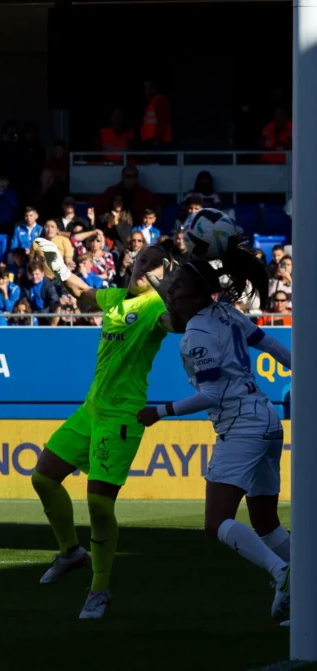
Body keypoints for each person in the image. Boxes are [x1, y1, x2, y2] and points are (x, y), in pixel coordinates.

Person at [136, 240, 291, 622]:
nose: (169, 294)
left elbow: (214, 392)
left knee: (215, 521)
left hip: (240, 426)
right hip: (267, 419)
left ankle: (283, 573)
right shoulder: (225, 312)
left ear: (194, 296)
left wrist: (160, 411)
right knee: (266, 522)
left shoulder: (196, 337)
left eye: (175, 290)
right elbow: (269, 344)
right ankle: (304, 581)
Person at [31, 236, 175, 619]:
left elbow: (175, 322)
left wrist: (166, 288)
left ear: (164, 275)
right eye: (139, 260)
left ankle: (99, 589)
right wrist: (59, 265)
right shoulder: (114, 298)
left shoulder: (155, 306)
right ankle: (70, 552)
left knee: (98, 503)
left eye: (151, 264)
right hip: (91, 408)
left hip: (122, 416)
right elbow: (82, 293)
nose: (141, 267)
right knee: (43, 478)